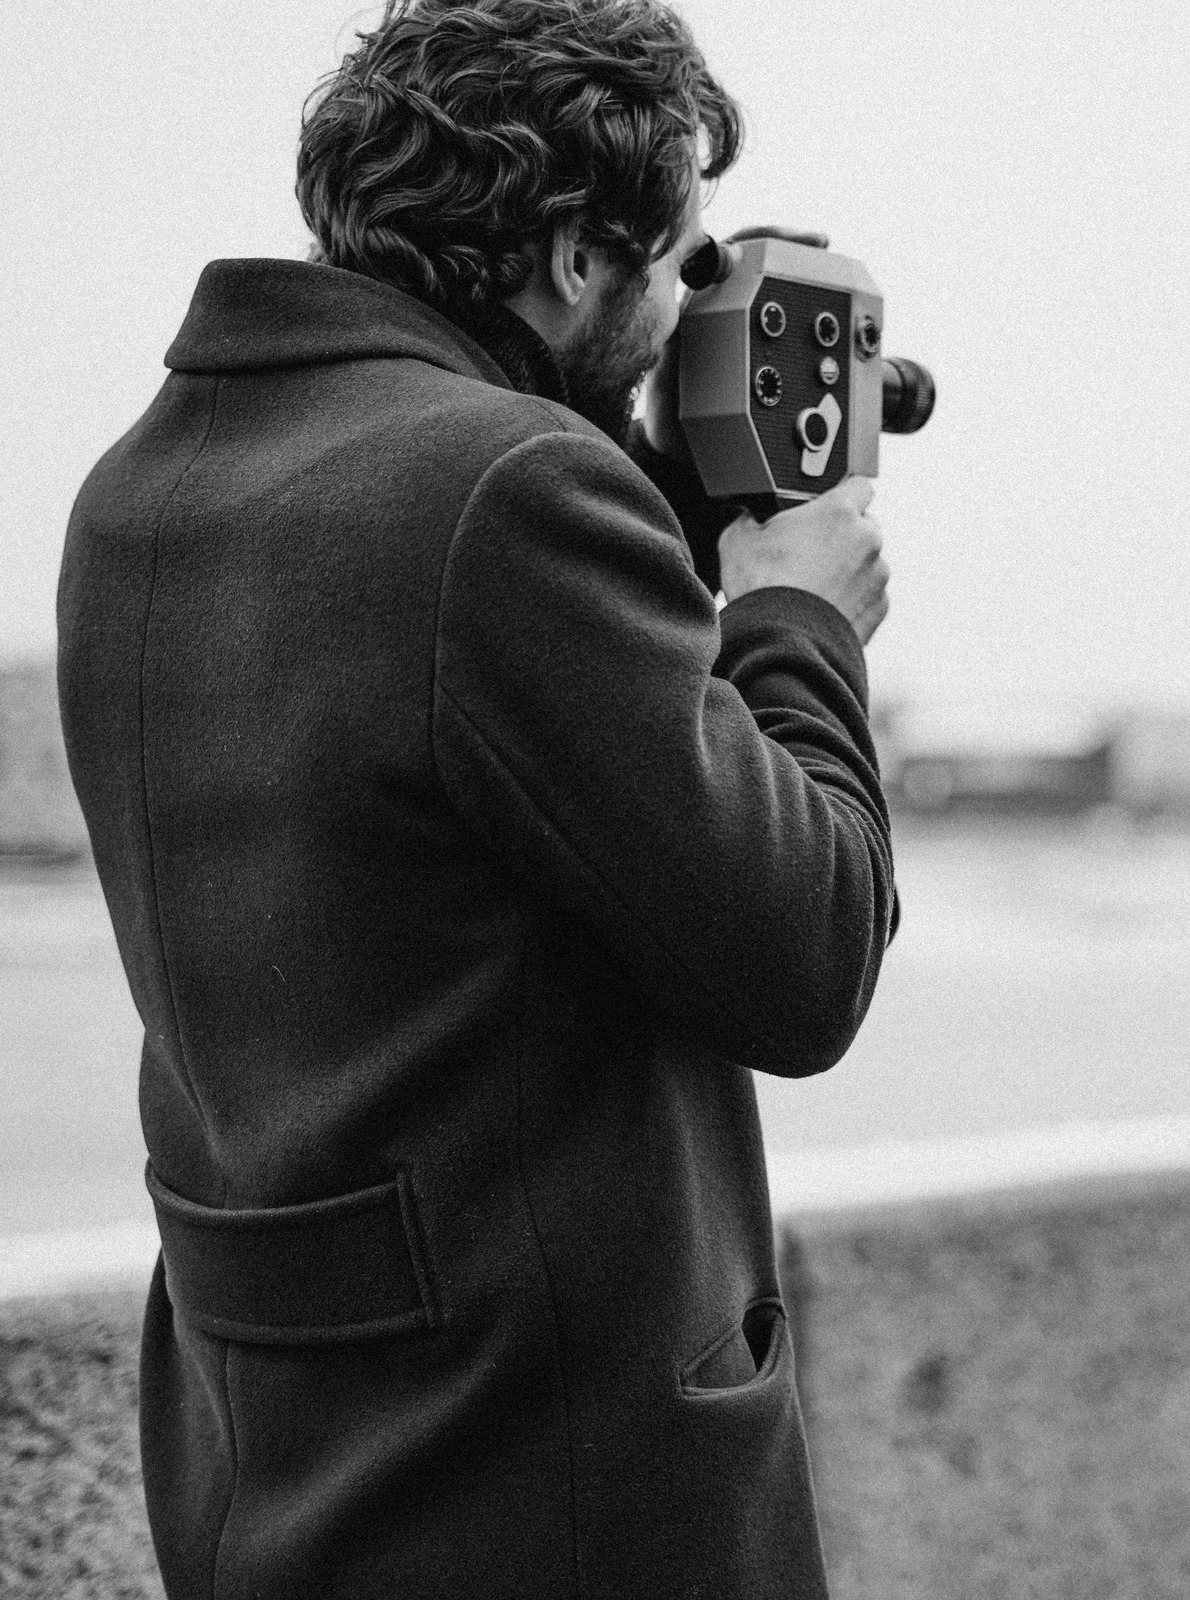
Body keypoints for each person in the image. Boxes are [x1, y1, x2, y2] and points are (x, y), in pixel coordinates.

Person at [56, 3, 896, 1595]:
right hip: (533, 1466)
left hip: (276, 1437)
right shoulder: (509, 497)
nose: (687, 304)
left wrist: (658, 490)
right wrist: (798, 620)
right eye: (678, 262)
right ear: (576, 256)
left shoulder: (144, 486)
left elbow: (455, 751)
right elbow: (807, 958)